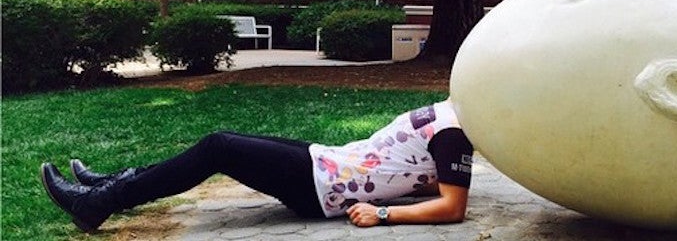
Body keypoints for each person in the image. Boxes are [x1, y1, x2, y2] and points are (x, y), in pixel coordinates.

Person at [40, 99, 474, 233]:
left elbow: (453, 207)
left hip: (323, 187)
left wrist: (383, 213)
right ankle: (113, 183)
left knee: (219, 146)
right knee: (220, 143)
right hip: (328, 161)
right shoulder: (456, 108)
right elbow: (426, 177)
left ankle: (98, 203)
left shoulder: (456, 133)